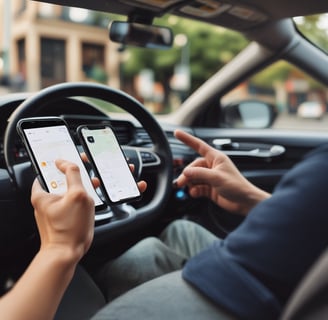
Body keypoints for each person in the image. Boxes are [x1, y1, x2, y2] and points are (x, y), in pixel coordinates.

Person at [88, 129, 328, 320]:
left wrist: (60, 246)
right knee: (180, 231)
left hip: (274, 294)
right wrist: (251, 198)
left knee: (137, 260)